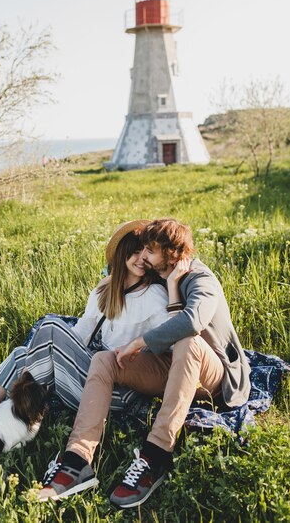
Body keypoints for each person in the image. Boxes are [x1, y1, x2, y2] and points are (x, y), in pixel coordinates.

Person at [38, 218, 251, 508]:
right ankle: (77, 461)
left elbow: (193, 323)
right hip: (169, 366)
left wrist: (139, 343)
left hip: (211, 375)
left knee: (188, 340)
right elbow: (122, 283)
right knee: (104, 359)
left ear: (171, 253)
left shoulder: (202, 280)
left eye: (150, 250)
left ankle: (155, 456)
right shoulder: (158, 276)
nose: (144, 257)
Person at [0, 220, 172, 422]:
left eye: (147, 252)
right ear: (122, 253)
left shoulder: (153, 295)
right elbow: (82, 333)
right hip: (89, 373)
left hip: (118, 390)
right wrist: (54, 353)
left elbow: (170, 342)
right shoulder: (105, 289)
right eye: (135, 252)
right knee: (19, 355)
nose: (142, 259)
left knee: (51, 326)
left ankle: (14, 416)